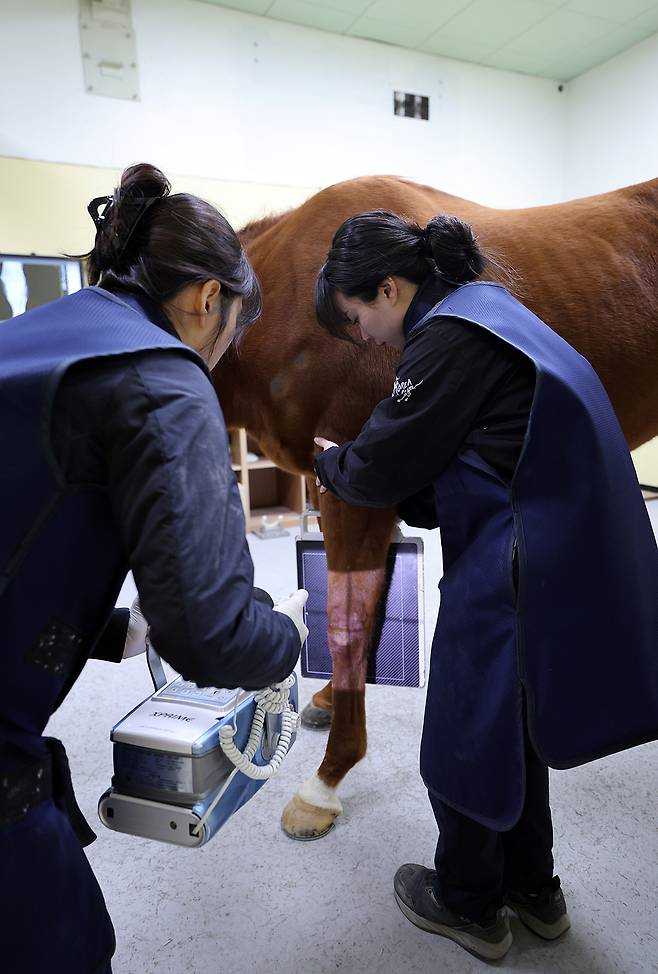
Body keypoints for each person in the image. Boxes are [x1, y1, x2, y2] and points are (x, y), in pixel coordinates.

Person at [313, 210, 658, 961]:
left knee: (468, 720)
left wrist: (329, 462)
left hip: (521, 553)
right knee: (515, 718)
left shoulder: (445, 336)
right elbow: (458, 453)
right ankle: (535, 890)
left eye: (358, 316)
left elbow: (383, 463)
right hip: (564, 544)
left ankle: (469, 901)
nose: (367, 336)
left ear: (390, 286)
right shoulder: (491, 306)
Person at [0, 163, 308, 974]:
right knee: (68, 945)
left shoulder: (26, 339)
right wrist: (285, 638)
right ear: (208, 299)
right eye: (233, 327)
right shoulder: (160, 376)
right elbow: (212, 633)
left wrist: (111, 627)